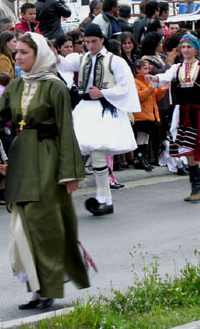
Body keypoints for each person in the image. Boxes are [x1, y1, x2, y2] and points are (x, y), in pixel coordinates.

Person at [0, 32, 90, 310]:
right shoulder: (17, 86)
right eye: (17, 52)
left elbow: (67, 130)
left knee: (42, 223)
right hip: (23, 157)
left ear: (39, 55)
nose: (18, 57)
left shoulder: (55, 87)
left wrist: (70, 171)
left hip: (47, 159)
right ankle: (35, 287)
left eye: (24, 52)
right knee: (22, 226)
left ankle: (47, 287)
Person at [60, 24, 140, 215]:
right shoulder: (83, 58)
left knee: (97, 153)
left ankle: (104, 198)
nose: (90, 46)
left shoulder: (115, 61)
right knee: (78, 152)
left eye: (93, 41)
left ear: (102, 40)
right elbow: (62, 64)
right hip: (85, 109)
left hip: (103, 109)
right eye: (87, 42)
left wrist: (103, 93)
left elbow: (126, 87)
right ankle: (100, 198)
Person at [147, 35, 200, 201]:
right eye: (183, 47)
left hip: (198, 113)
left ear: (196, 50)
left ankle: (197, 188)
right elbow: (165, 77)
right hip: (182, 113)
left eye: (189, 47)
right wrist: (154, 78)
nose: (186, 50)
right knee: (186, 149)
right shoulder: (177, 68)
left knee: (191, 149)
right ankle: (197, 187)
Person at [133, 58, 168, 171]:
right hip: (141, 115)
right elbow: (141, 96)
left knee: (146, 138)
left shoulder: (148, 81)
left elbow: (155, 96)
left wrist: (161, 90)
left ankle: (144, 159)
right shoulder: (136, 82)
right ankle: (140, 159)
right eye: (145, 69)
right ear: (138, 70)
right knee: (141, 138)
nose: (147, 71)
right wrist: (151, 87)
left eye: (148, 69)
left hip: (150, 114)